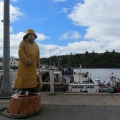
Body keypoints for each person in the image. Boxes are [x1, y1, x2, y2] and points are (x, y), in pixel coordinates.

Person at [14, 29, 40, 95]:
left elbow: (38, 55)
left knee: (32, 77)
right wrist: (27, 61)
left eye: (33, 35)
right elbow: (21, 53)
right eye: (30, 35)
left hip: (33, 65)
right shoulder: (23, 43)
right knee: (23, 76)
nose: (32, 37)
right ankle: (21, 88)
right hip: (24, 65)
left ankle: (32, 88)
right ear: (27, 36)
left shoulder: (36, 45)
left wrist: (38, 63)